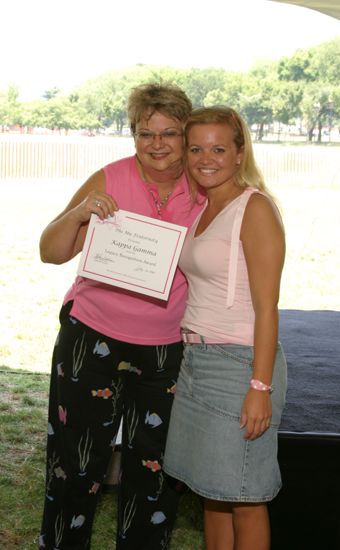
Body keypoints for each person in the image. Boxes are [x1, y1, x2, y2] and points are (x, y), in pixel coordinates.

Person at [38, 82, 204, 550]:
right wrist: (78, 215)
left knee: (153, 469)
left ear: (184, 133)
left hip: (166, 348)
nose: (157, 144)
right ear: (132, 134)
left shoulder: (204, 185)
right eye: (144, 132)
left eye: (169, 133)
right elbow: (50, 252)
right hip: (92, 337)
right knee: (76, 464)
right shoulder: (109, 177)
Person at [163, 106, 287, 550]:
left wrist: (260, 385)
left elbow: (268, 309)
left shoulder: (254, 209)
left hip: (239, 365)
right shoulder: (204, 209)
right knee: (212, 492)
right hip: (197, 361)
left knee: (245, 494)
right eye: (195, 148)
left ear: (239, 153)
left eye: (218, 148)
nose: (205, 158)